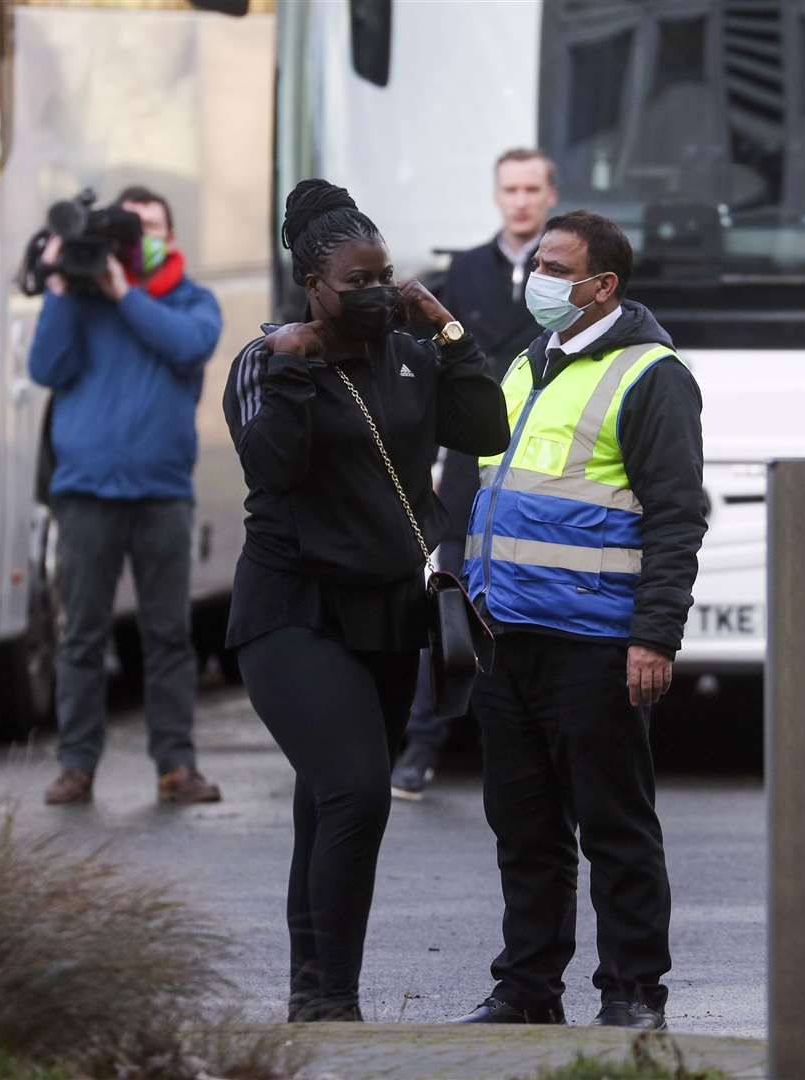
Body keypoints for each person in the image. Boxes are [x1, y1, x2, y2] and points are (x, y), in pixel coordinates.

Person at [222, 179, 509, 1021]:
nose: (380, 292)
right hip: (292, 611)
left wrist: (449, 329)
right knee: (355, 791)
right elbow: (272, 467)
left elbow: (485, 428)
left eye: (388, 275)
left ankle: (311, 996)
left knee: (329, 804)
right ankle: (332, 1006)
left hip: (389, 609)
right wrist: (297, 372)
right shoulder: (266, 360)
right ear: (314, 284)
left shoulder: (411, 354)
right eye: (361, 282)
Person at [452, 210, 706, 1030]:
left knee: (615, 827)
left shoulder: (652, 376)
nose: (540, 279)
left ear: (603, 287)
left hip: (595, 640)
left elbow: (676, 516)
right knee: (524, 830)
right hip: (508, 635)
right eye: (536, 263)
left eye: (558, 268)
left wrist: (653, 635)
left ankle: (632, 990)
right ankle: (527, 988)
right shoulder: (526, 365)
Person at [29, 185, 224, 807]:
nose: (141, 235)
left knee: (168, 635)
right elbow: (45, 368)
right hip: (84, 495)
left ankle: (176, 766)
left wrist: (123, 293)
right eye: (130, 225)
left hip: (163, 495)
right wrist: (60, 283)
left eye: (152, 225)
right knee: (81, 635)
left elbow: (187, 346)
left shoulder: (194, 302)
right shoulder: (79, 304)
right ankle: (76, 765)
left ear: (170, 235)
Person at [390, 148, 556, 800]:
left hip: (538, 457)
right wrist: (432, 457)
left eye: (531, 189)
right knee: (450, 597)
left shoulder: (562, 273)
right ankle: (422, 746)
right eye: (510, 188)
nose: (520, 200)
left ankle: (519, 750)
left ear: (549, 194)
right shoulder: (462, 272)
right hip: (467, 461)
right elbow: (439, 367)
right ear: (497, 196)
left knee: (525, 604)